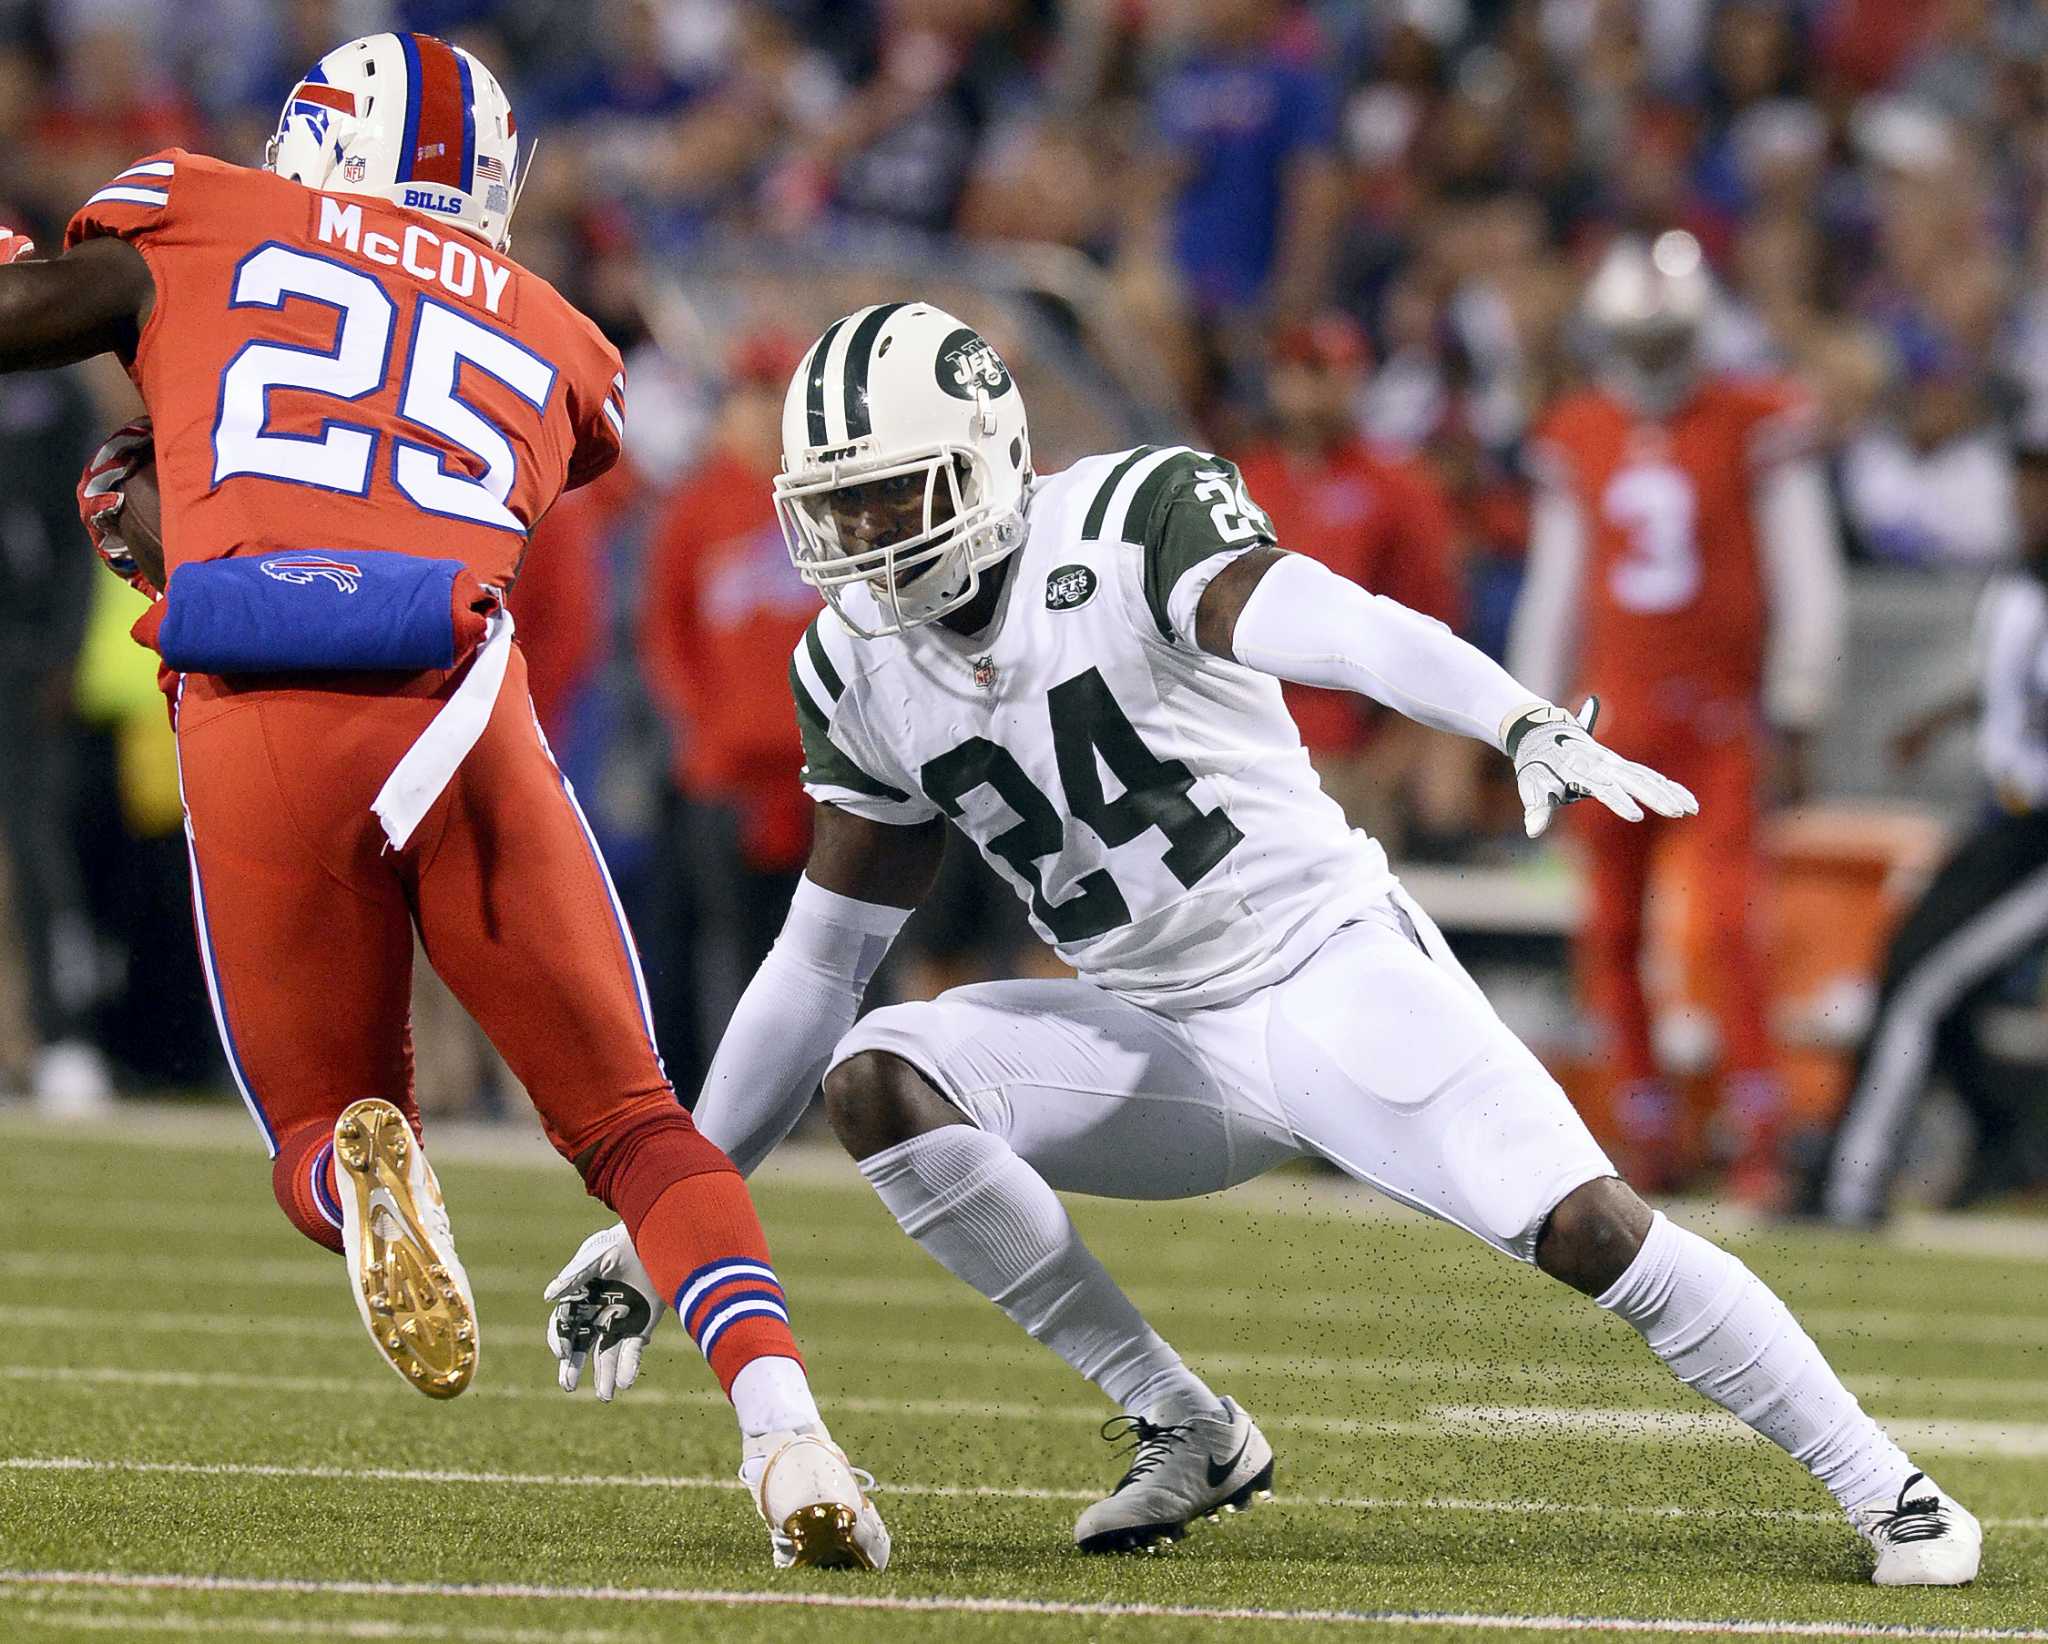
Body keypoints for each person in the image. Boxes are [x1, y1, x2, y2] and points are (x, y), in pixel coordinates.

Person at [546, 300, 1977, 1585]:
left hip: (1321, 969)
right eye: (836, 511)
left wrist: (1515, 716)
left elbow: (1334, 624)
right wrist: (664, 1208)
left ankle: (1890, 1491)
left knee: (1584, 1227)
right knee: (882, 1080)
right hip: (1155, 1030)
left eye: (890, 499)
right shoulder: (853, 661)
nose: (861, 545)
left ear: (987, 460)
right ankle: (1185, 1422)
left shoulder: (1127, 519)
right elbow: (818, 961)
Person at [0, 31, 885, 1571]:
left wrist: (136, 487)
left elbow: (37, 325)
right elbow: (426, 453)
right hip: (455, 692)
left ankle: (367, 1190)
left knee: (313, 1125)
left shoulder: (200, 210)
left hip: (253, 677)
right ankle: (789, 1432)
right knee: (635, 1127)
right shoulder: (563, 338)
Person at [1509, 231, 1845, 1204]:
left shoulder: (1749, 418)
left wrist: (1797, 696)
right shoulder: (1581, 428)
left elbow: (1801, 571)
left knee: (1725, 929)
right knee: (1609, 928)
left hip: (1713, 712)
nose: (1651, 366)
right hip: (1614, 714)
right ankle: (1645, 1120)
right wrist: (1530, 716)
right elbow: (1555, 587)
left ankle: (1754, 1123)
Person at [1815, 437, 2048, 1224]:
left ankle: (1851, 1187)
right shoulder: (2021, 580)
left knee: (1919, 986)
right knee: (1920, 974)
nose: (2028, 496)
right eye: (2023, 477)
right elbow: (2013, 685)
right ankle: (2009, 1140)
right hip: (2005, 821)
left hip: (2039, 839)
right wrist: (1939, 720)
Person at [1233, 312, 1477, 848]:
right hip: (1238, 738)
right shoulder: (1237, 481)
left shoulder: (1399, 488)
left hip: (1344, 745)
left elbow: (1433, 629)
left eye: (1321, 371)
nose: (1305, 388)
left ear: (1354, 378)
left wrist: (1388, 764)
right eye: (1293, 369)